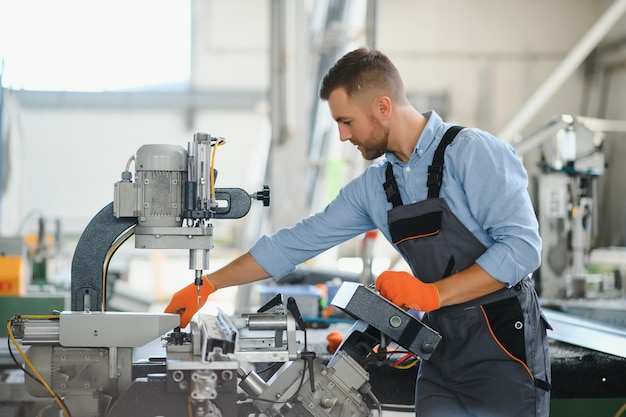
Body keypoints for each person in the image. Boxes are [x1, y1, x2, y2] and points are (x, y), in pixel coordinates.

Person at [165, 47, 551, 417]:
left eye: (346, 121)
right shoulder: (375, 187)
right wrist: (209, 285)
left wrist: (432, 293)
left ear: (383, 106)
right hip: (441, 352)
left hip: (503, 347)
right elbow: (295, 243)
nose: (342, 136)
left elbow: (522, 250)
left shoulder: (472, 152)